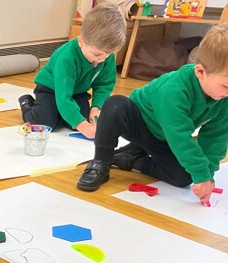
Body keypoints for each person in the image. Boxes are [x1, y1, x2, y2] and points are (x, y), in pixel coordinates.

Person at [76, 22, 228, 203]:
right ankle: (101, 162)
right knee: (115, 105)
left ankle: (130, 159)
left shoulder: (224, 98)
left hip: (164, 136)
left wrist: (207, 176)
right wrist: (201, 174)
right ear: (201, 72)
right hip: (139, 123)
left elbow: (216, 137)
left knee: (184, 177)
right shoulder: (174, 90)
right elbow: (180, 136)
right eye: (226, 86)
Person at [19, 4, 126, 139]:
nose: (102, 59)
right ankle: (27, 104)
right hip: (51, 89)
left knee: (77, 121)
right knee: (45, 123)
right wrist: (83, 126)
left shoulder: (105, 55)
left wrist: (96, 108)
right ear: (81, 42)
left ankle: (59, 112)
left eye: (108, 54)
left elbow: (104, 84)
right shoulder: (67, 58)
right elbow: (63, 97)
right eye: (97, 54)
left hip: (77, 91)